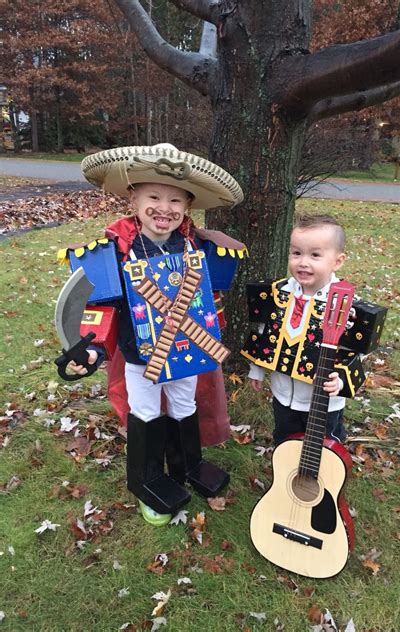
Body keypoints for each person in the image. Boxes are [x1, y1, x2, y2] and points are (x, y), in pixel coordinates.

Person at [57, 143, 246, 526]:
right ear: (133, 198)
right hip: (140, 354)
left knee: (184, 405)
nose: (165, 207)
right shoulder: (112, 251)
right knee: (144, 410)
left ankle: (186, 466)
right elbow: (100, 307)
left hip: (187, 351)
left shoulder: (197, 246)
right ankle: (147, 480)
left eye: (175, 199)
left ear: (188, 206)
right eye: (154, 196)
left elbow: (210, 301)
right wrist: (91, 351)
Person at [242, 214, 371, 446]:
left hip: (323, 401)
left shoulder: (344, 303)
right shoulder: (279, 293)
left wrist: (341, 379)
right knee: (285, 440)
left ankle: (325, 477)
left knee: (325, 447)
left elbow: (358, 349)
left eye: (315, 255)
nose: (303, 262)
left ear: (337, 261)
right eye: (296, 253)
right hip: (283, 395)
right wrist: (257, 369)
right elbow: (264, 333)